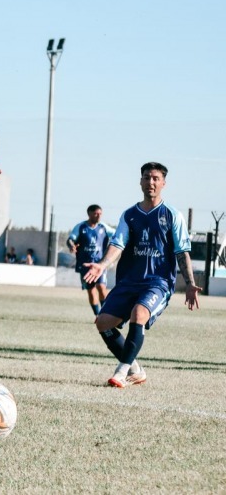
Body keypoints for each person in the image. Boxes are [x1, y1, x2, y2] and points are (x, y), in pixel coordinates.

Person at [84, 162, 200, 388]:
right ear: (140, 182)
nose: (151, 182)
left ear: (164, 183)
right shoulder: (129, 215)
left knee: (139, 314)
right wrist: (102, 265)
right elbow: (117, 244)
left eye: (156, 178)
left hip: (158, 283)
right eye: (147, 177)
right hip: (129, 281)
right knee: (102, 323)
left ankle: (121, 371)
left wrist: (190, 283)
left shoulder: (172, 215)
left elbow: (182, 252)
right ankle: (135, 368)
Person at [67, 204, 116, 316]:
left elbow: (117, 235)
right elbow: (71, 239)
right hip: (85, 265)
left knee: (101, 287)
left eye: (100, 214)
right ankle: (98, 315)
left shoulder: (103, 227)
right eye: (96, 214)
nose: (99, 216)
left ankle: (106, 314)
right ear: (89, 213)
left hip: (99, 264)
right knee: (91, 290)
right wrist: (71, 245)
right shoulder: (80, 227)